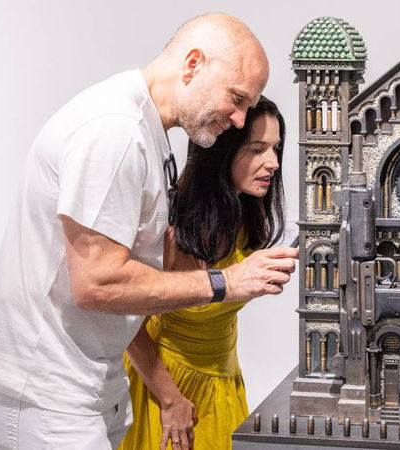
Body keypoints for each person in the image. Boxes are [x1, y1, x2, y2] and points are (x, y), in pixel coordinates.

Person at [0, 13, 298, 449]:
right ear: (193, 64)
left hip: (88, 385)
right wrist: (226, 282)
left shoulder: (144, 130)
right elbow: (97, 284)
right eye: (236, 99)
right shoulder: (116, 132)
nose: (238, 119)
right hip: (48, 391)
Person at [119, 96, 285, 450]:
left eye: (275, 148)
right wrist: (171, 401)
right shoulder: (171, 227)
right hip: (166, 391)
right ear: (221, 153)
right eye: (257, 149)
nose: (272, 162)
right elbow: (127, 323)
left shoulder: (243, 213)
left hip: (224, 385)